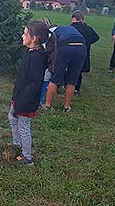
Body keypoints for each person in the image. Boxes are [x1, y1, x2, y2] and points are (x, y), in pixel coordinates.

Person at [8, 21, 49, 166]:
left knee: (23, 127)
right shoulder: (30, 52)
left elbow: (34, 84)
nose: (22, 35)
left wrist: (21, 103)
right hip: (19, 96)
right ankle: (17, 144)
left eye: (25, 33)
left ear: (34, 38)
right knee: (12, 118)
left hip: (26, 100)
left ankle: (27, 157)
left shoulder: (37, 57)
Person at [44, 25, 86, 112]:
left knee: (56, 77)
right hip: (82, 47)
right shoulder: (67, 28)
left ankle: (47, 105)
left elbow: (50, 49)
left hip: (66, 46)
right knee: (72, 80)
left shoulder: (52, 32)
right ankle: (66, 107)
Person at [70, 10, 99, 93]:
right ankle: (77, 87)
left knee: (72, 69)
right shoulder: (88, 28)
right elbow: (96, 37)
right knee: (79, 69)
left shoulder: (72, 27)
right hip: (84, 50)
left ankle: (69, 85)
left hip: (73, 50)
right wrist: (87, 42)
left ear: (74, 18)